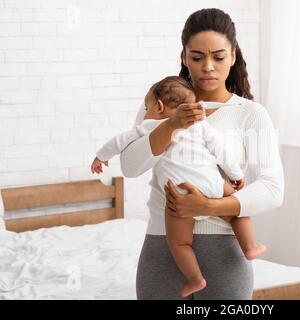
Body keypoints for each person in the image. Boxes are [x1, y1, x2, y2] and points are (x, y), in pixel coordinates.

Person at [121, 8, 284, 300]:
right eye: (197, 57)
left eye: (218, 57)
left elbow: (272, 189)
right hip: (162, 246)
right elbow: (130, 166)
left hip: (224, 252)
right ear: (185, 57)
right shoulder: (157, 107)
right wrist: (171, 124)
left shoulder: (250, 115)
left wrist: (207, 207)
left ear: (233, 56)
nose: (208, 66)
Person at [91, 76, 266, 297]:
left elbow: (118, 141)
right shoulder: (200, 122)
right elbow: (220, 149)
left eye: (148, 107)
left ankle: (195, 278)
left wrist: (100, 156)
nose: (208, 66)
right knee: (239, 211)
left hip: (178, 192)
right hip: (212, 182)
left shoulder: (149, 125)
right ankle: (250, 246)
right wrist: (236, 175)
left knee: (179, 243)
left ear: (159, 106)